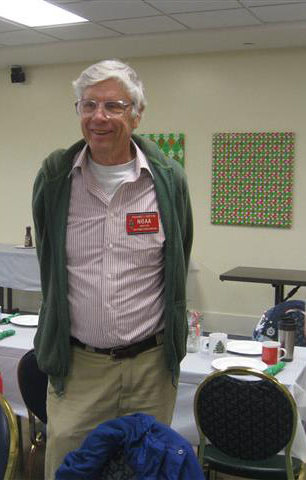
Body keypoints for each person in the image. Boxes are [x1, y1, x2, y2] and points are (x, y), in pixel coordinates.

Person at [32, 59, 193, 478]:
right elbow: (48, 260)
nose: (98, 117)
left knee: (149, 469)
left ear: (137, 114)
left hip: (150, 369)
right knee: (67, 464)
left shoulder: (168, 180)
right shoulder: (55, 179)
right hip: (79, 368)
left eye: (113, 106)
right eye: (88, 105)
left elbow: (178, 258)